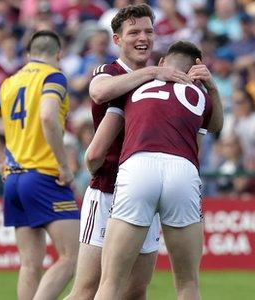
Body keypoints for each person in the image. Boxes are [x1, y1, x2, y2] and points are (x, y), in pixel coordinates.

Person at [66, 4, 193, 299]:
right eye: (134, 32)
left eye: (148, 31)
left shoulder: (163, 78)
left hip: (144, 193)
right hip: (108, 190)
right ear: (117, 40)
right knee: (86, 288)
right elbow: (99, 92)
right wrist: (153, 72)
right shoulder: (109, 71)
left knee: (135, 290)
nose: (143, 38)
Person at [90, 41, 223, 299]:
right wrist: (212, 87)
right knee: (188, 284)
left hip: (138, 166)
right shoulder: (200, 96)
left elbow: (97, 144)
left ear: (162, 63)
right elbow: (214, 126)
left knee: (111, 283)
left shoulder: (135, 85)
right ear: (197, 68)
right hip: (182, 169)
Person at [0, 30, 79, 300]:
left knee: (30, 264)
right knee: (71, 256)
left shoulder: (10, 82)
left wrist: (2, 161)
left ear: (28, 56)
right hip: (44, 176)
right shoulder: (53, 76)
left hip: (14, 179)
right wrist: (64, 165)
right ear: (58, 54)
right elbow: (49, 117)